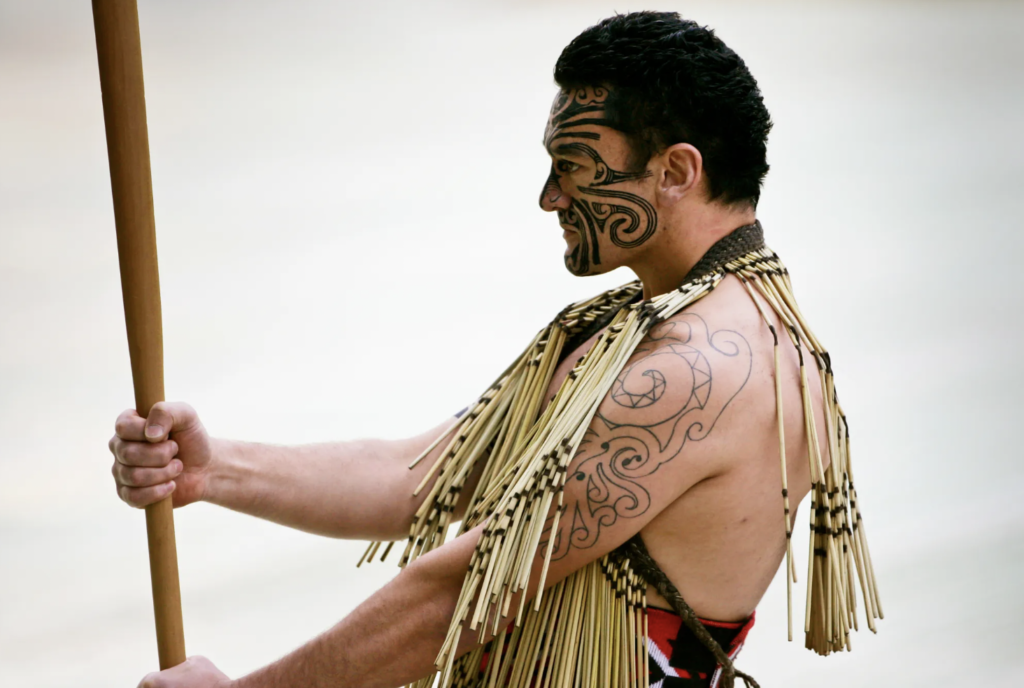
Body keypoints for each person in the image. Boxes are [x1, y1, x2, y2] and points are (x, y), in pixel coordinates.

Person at [109, 12, 878, 688]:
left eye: (571, 167)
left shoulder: (706, 369)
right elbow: (426, 477)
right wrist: (213, 470)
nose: (550, 197)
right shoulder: (639, 329)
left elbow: (464, 593)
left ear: (676, 170)